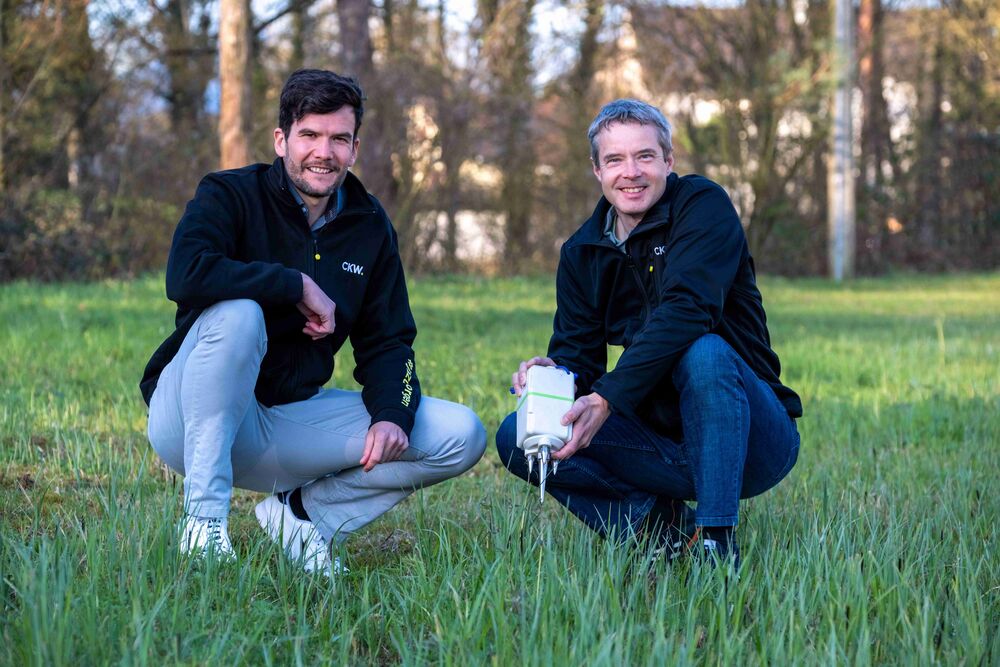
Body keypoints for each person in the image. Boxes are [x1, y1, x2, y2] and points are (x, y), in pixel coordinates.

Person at [140, 69, 486, 575]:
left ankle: (302, 516)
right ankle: (204, 523)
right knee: (240, 314)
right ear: (281, 140)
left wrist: (392, 413)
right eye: (309, 135)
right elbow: (186, 274)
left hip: (285, 422)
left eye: (339, 139)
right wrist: (294, 285)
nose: (324, 152)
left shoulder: (370, 225)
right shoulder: (230, 194)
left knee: (461, 434)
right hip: (189, 421)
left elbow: (389, 341)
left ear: (355, 148)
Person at [496, 99, 802, 569]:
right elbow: (579, 358)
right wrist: (554, 375)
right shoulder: (582, 252)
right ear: (597, 170)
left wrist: (608, 398)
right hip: (655, 444)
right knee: (519, 435)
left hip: (750, 442)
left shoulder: (702, 205)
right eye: (615, 159)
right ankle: (667, 531)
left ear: (668, 161)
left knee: (704, 351)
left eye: (644, 156)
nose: (631, 173)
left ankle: (717, 544)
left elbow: (688, 310)